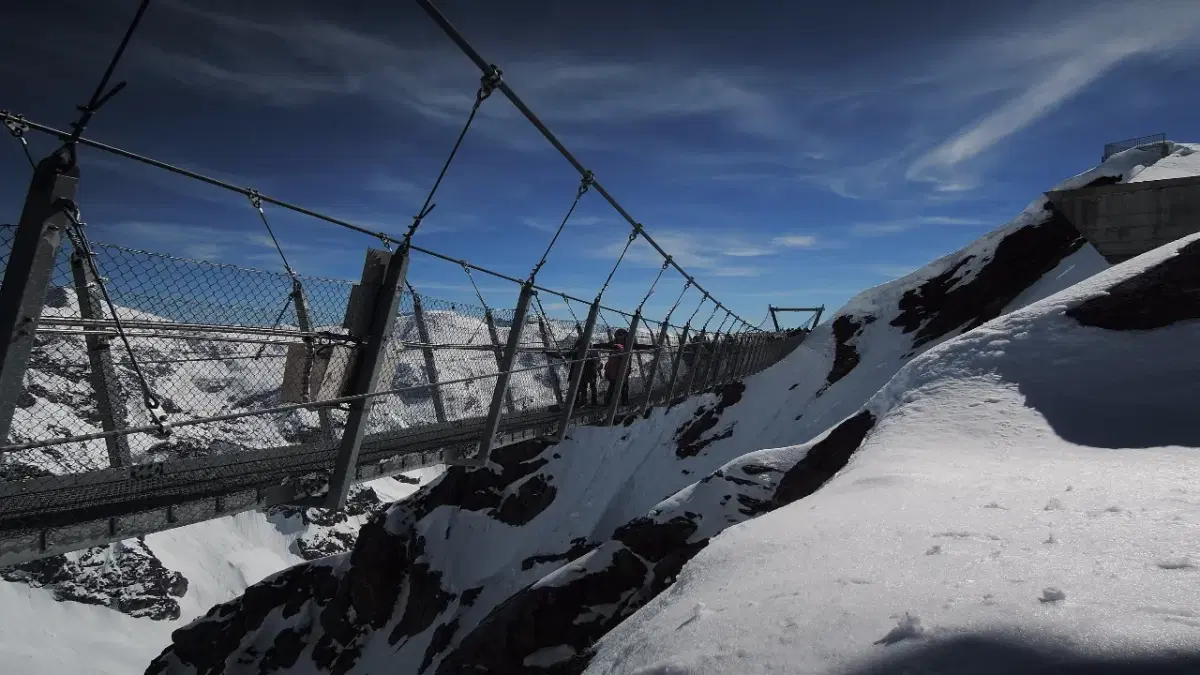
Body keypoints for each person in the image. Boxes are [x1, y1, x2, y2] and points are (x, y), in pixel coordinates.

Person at [593, 328, 654, 407]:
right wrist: (651, 347)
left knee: (615, 386)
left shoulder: (617, 344)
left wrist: (593, 345)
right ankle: (623, 402)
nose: (620, 337)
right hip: (621, 368)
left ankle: (609, 402)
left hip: (615, 369)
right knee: (622, 386)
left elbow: (604, 345)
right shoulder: (627, 344)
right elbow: (639, 346)